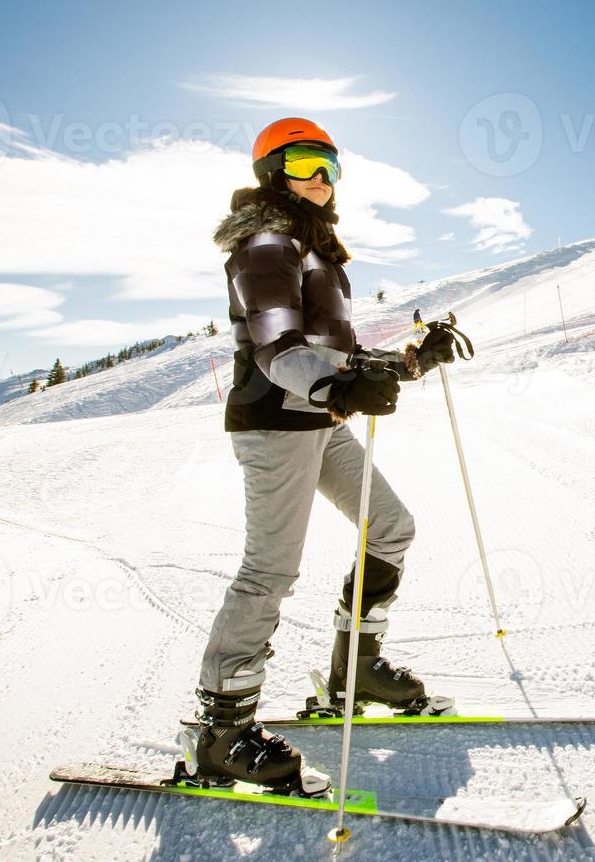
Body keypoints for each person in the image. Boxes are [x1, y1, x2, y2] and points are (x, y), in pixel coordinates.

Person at [191, 117, 461, 792]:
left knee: (392, 526)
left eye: (331, 166)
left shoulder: (314, 249)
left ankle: (355, 671)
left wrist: (408, 359)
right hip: (276, 422)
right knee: (270, 570)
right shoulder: (265, 244)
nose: (321, 177)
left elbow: (338, 358)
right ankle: (221, 733)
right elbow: (279, 350)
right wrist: (340, 382)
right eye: (308, 162)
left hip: (319, 419)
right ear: (273, 171)